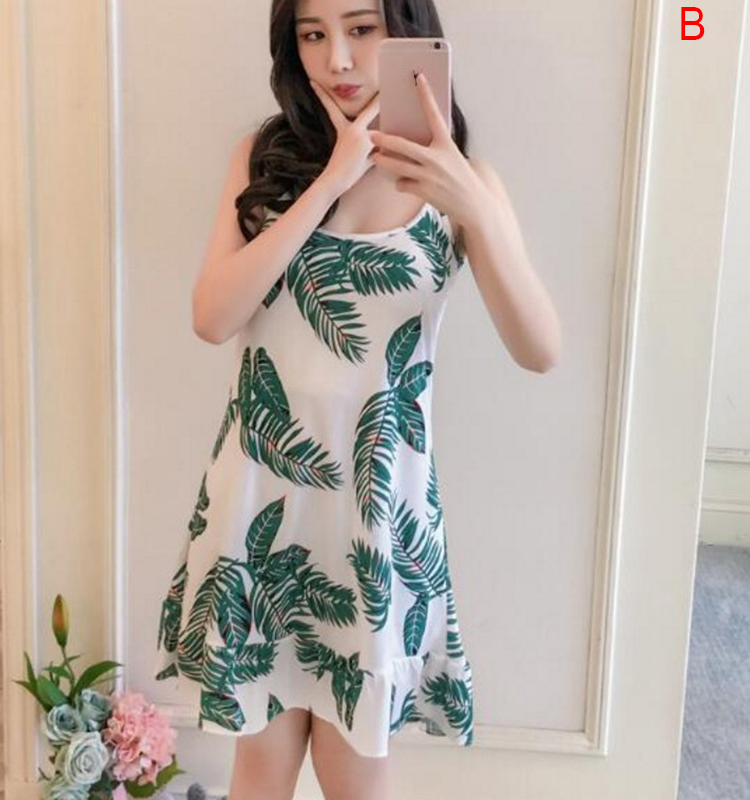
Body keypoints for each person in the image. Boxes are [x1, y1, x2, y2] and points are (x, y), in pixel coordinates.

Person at [155, 0, 562, 798]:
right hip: (261, 510)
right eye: (313, 34)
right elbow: (213, 317)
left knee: (356, 779)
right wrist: (331, 181)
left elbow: (540, 349)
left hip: (376, 520)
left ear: (408, 31)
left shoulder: (463, 183)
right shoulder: (264, 159)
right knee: (259, 773)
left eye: (362, 29)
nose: (337, 58)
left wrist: (472, 203)